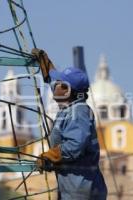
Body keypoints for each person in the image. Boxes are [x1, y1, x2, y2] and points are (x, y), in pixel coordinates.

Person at [31, 48, 108, 200]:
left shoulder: (79, 113)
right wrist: (47, 66)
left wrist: (50, 157)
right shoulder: (69, 104)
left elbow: (74, 147)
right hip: (73, 188)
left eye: (59, 84)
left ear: (68, 90)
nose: (55, 86)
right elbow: (54, 81)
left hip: (83, 189)